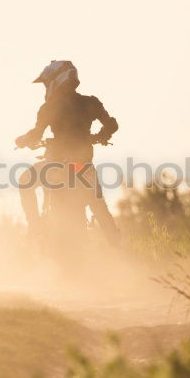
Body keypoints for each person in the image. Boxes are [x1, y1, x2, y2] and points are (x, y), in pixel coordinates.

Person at [14, 60, 119, 243]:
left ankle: (34, 224)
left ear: (56, 80)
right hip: (83, 165)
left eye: (46, 83)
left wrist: (22, 141)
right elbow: (112, 125)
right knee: (98, 203)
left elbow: (36, 133)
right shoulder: (90, 102)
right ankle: (116, 244)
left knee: (25, 180)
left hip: (56, 165)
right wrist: (100, 136)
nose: (46, 88)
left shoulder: (49, 108)